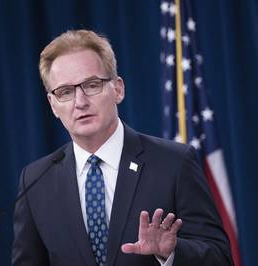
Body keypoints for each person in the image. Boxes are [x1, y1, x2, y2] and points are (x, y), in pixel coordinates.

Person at [12, 29, 232, 266]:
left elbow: (219, 257)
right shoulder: (35, 180)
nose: (80, 102)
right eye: (65, 92)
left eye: (92, 85)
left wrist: (171, 253)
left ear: (118, 89)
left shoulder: (174, 163)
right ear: (53, 105)